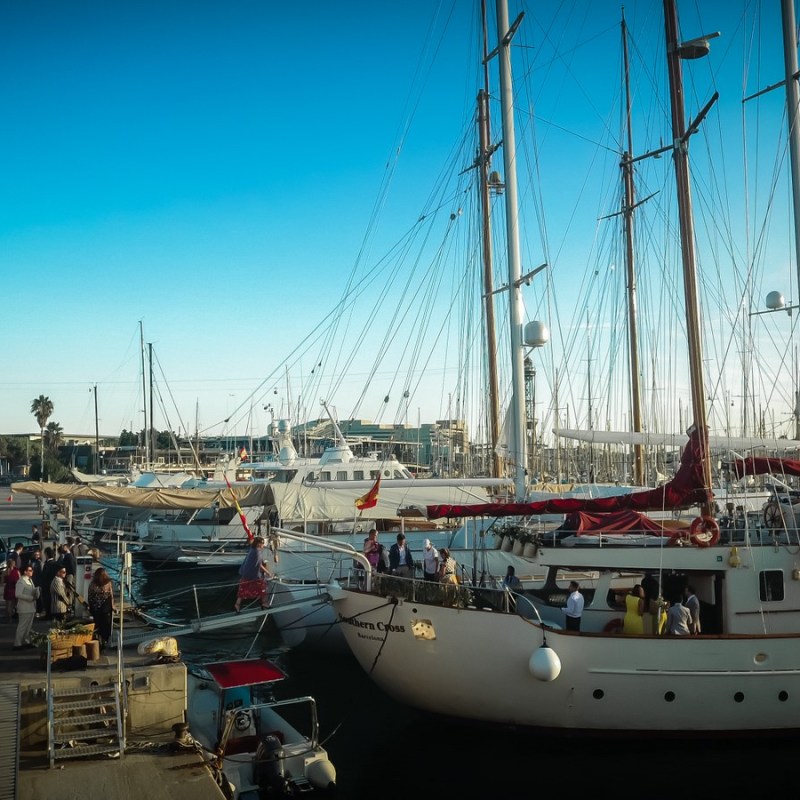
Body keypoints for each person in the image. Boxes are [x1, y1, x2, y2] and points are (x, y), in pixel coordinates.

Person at [234, 537, 271, 612]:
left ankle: (237, 604)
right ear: (258, 544)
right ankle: (264, 603)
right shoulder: (258, 551)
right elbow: (259, 565)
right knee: (262, 587)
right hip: (253, 574)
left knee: (243, 588)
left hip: (245, 573)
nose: (263, 545)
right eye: (262, 544)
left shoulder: (252, 549)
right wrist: (268, 572)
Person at [87, 568, 115, 648]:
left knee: (98, 625)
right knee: (107, 626)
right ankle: (105, 640)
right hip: (106, 609)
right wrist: (113, 606)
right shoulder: (108, 583)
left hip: (96, 609)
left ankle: (99, 641)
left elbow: (90, 597)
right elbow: (111, 595)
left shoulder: (92, 584)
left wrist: (91, 607)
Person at [14, 564, 39, 649]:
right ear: (25, 571)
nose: (32, 572)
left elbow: (32, 591)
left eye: (32, 570)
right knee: (22, 626)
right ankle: (17, 644)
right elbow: (18, 594)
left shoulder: (30, 580)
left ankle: (27, 641)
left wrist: (37, 591)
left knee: (28, 627)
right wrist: (30, 598)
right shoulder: (21, 581)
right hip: (24, 608)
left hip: (31, 608)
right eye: (30, 570)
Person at [39, 547, 58, 620]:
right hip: (53, 584)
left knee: (47, 600)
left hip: (46, 585)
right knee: (52, 600)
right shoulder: (55, 563)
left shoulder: (47, 564)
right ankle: (51, 614)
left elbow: (44, 576)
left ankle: (48, 615)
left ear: (46, 554)